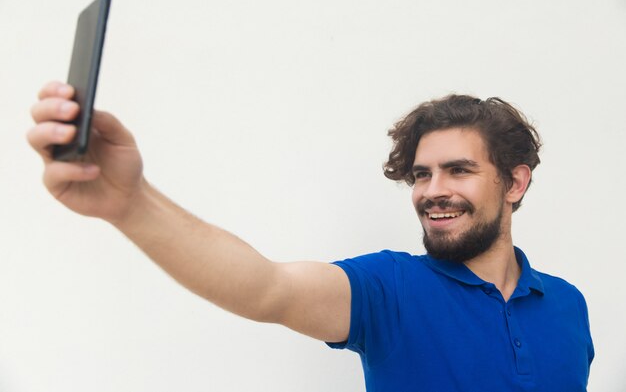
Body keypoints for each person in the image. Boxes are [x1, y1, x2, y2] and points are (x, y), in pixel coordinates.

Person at [28, 82, 594, 391]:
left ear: (515, 182)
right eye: (422, 174)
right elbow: (265, 287)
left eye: (459, 171)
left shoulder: (568, 306)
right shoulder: (388, 289)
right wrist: (131, 204)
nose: (431, 191)